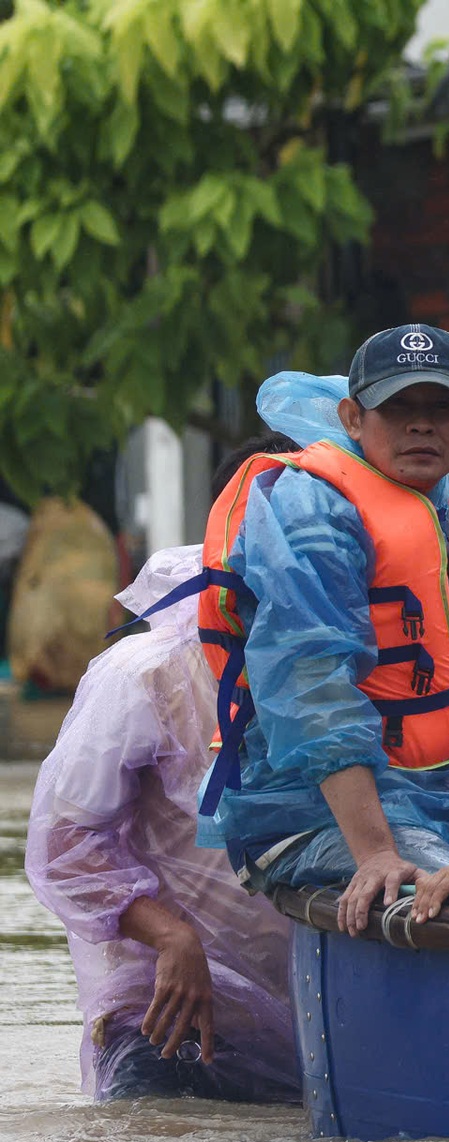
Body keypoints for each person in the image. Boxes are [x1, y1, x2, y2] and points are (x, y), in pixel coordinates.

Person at [197, 333, 449, 939]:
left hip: (447, 798)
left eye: (441, 409)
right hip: (308, 814)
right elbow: (310, 687)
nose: (421, 426)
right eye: (398, 408)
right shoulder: (314, 511)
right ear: (353, 416)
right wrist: (375, 853)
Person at [27, 438, 302, 1102]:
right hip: (165, 1009)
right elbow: (65, 844)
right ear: (225, 529)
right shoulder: (146, 672)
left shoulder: (344, 666)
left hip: (304, 1029)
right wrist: (168, 933)